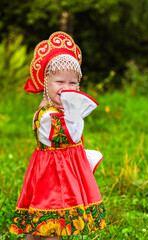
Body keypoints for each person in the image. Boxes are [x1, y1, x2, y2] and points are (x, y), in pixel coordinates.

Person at [9, 31, 107, 240]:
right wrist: (75, 116)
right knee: (53, 227)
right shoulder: (47, 116)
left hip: (62, 177)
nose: (66, 88)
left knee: (40, 228)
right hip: (52, 181)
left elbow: (71, 144)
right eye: (59, 82)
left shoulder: (64, 112)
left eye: (73, 83)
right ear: (46, 83)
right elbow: (70, 136)